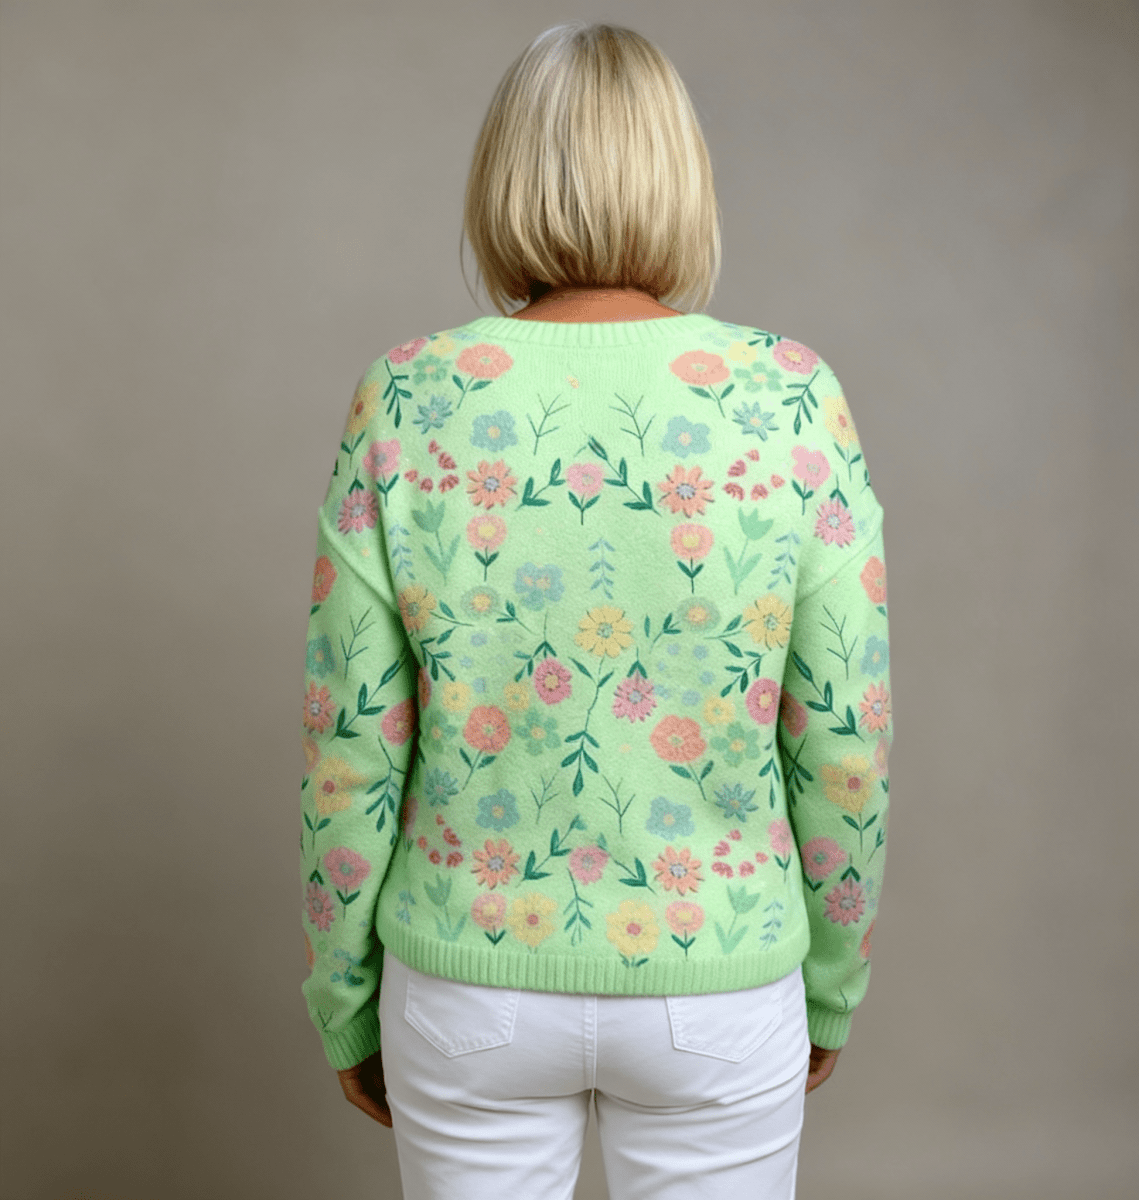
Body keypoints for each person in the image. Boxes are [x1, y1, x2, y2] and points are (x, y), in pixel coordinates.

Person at [298, 19, 892, 1200]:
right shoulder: (791, 397)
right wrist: (830, 984)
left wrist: (344, 996)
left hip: (466, 980)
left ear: (501, 182)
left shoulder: (407, 395)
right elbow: (845, 733)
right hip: (720, 980)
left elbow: (350, 738)